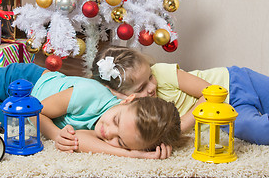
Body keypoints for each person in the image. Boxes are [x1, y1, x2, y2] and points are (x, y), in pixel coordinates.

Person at [0, 63, 185, 159]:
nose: (107, 131)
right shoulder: (91, 94)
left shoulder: (108, 129)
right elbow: (38, 112)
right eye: (116, 122)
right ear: (127, 101)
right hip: (22, 84)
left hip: (19, 117)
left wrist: (133, 154)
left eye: (120, 140)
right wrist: (56, 135)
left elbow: (84, 142)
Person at [92, 45, 269, 145]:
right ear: (122, 96)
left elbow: (211, 94)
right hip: (224, 115)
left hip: (234, 82)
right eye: (140, 89)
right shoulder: (131, 118)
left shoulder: (162, 72)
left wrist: (181, 125)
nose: (152, 86)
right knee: (257, 129)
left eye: (150, 77)